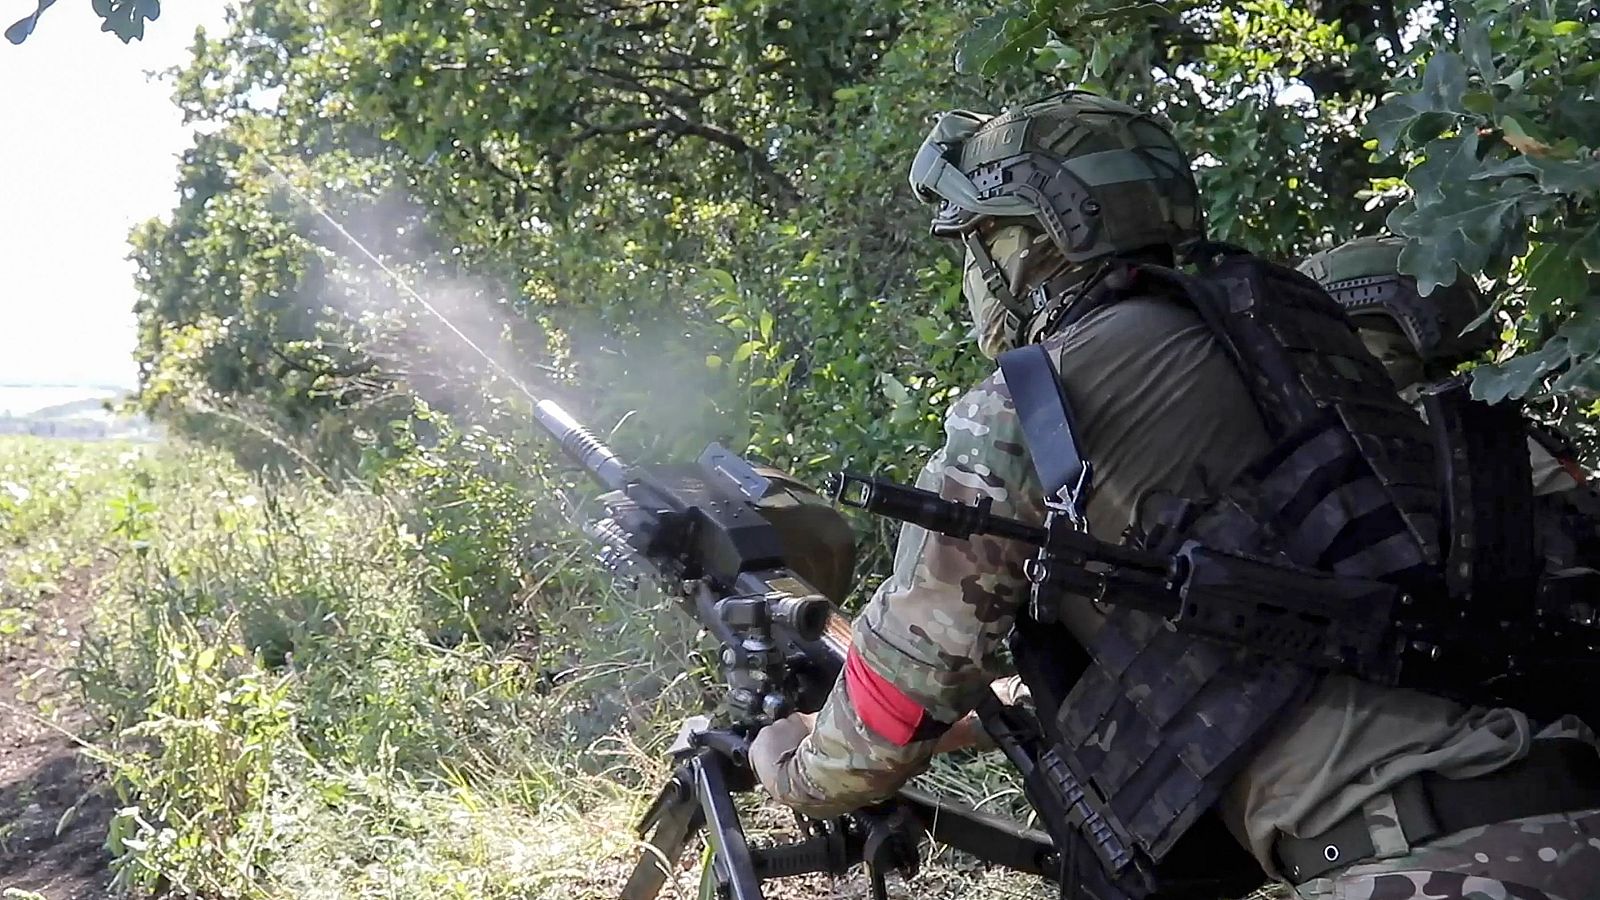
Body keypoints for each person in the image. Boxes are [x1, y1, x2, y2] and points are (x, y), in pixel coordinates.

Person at [748, 92, 1600, 900]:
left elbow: (902, 690)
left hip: (1428, 867)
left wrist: (793, 765)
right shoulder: (1301, 341)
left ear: (1033, 236)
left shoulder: (1036, 402)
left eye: (979, 239)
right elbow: (1253, 647)